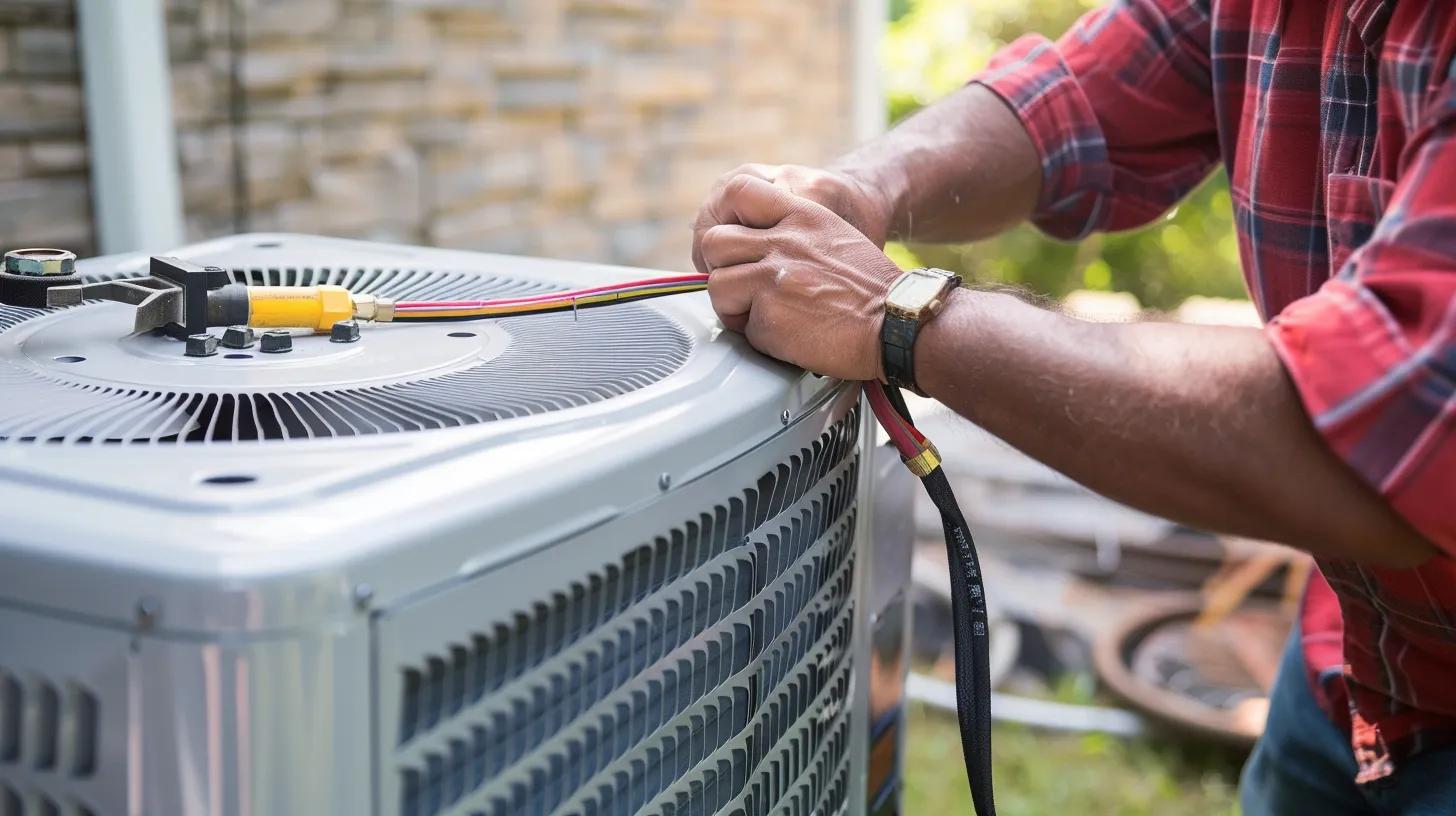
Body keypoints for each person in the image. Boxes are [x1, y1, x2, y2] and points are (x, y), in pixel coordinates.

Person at [691, 1, 1456, 812]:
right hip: (1350, 659)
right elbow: (1082, 95)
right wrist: (864, 184)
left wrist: (899, 314)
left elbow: (1390, 434)